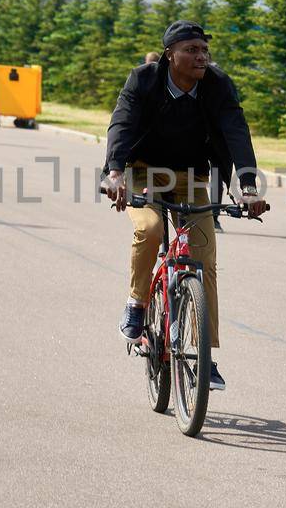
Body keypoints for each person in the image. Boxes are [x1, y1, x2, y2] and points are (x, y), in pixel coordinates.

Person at [103, 20, 268, 391]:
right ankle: (136, 302)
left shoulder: (217, 84)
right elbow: (122, 123)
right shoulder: (143, 80)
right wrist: (114, 173)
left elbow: (235, 131)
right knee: (150, 229)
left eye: (205, 50)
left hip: (193, 176)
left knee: (205, 258)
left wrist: (247, 186)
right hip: (143, 172)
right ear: (170, 54)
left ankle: (205, 357)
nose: (201, 57)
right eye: (192, 50)